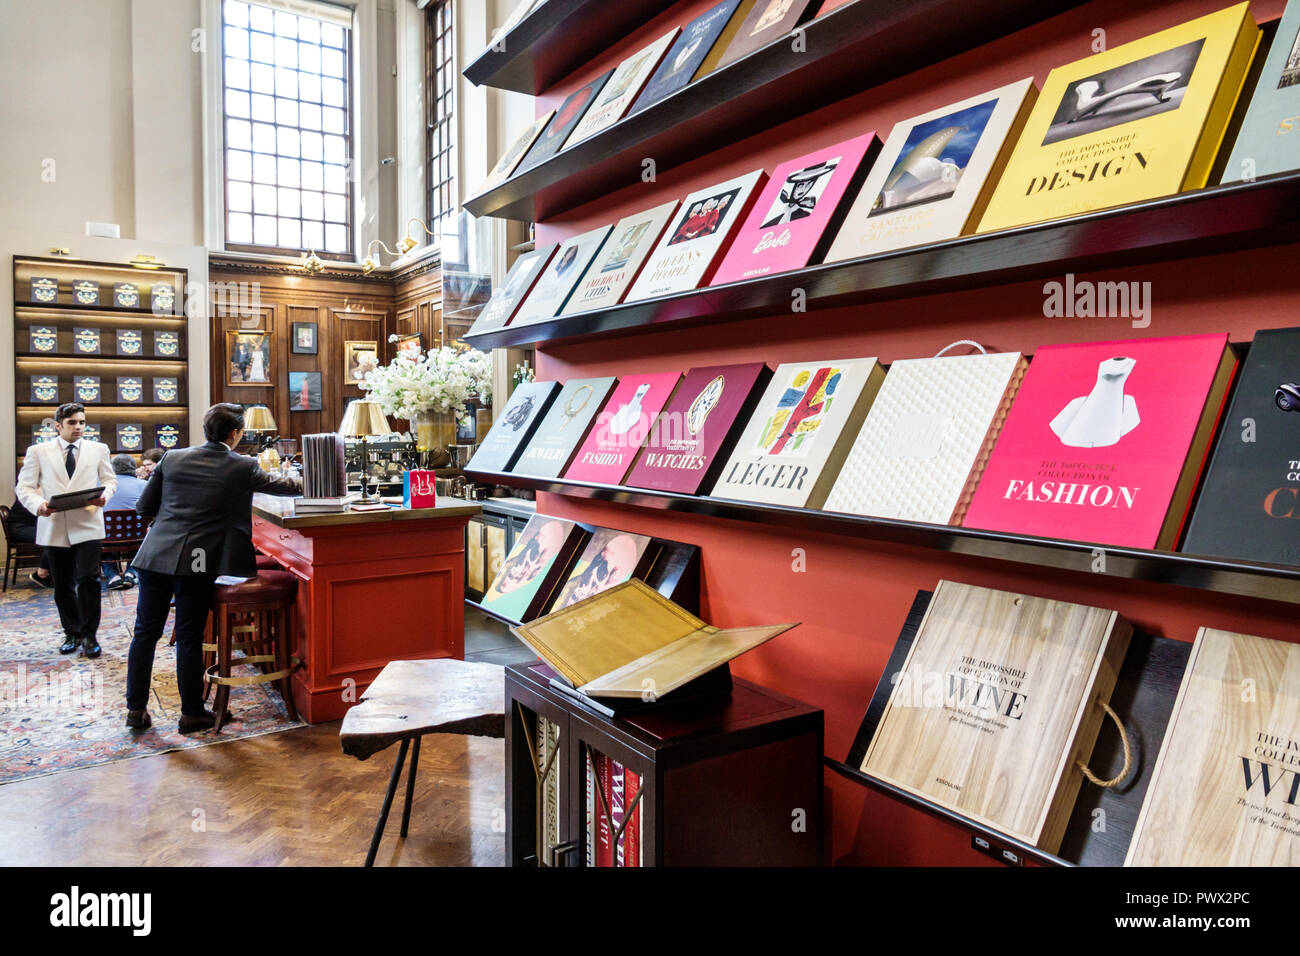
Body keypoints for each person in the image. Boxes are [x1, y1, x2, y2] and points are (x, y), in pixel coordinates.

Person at [125, 403, 302, 734]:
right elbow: (286, 487)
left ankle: (135, 710)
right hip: (196, 559)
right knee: (189, 634)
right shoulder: (243, 465)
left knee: (145, 633)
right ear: (234, 434)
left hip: (154, 554)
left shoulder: (172, 457)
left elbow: (144, 507)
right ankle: (191, 713)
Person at [15, 402, 117, 657]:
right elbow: (24, 487)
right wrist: (39, 505)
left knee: (89, 580)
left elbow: (109, 480)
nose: (79, 427)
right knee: (62, 584)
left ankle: (90, 635)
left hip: (88, 523)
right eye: (72, 423)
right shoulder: (38, 451)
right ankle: (72, 632)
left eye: (82, 422)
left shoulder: (98, 449)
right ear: (58, 425)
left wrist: (106, 496)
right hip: (54, 524)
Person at [101, 454, 148, 590]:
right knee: (140, 534)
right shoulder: (144, 485)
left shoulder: (101, 487)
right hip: (137, 537)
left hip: (107, 539)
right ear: (134, 468)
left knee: (100, 535)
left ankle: (112, 576)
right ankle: (131, 573)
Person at [6, 497, 53, 588]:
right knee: (51, 537)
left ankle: (55, 572)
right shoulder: (28, 494)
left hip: (27, 525)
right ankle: (41, 574)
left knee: (56, 534)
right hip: (19, 528)